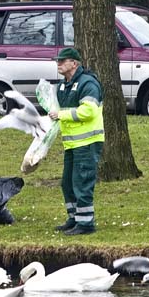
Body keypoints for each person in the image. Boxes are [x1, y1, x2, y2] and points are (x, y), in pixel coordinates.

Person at [48, 47, 104, 236]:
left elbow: (88, 112)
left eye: (63, 61)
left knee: (82, 181)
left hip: (87, 142)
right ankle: (74, 218)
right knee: (67, 182)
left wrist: (61, 115)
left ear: (74, 63)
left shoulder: (88, 83)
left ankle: (86, 223)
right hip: (72, 143)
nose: (59, 64)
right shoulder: (64, 85)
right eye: (58, 61)